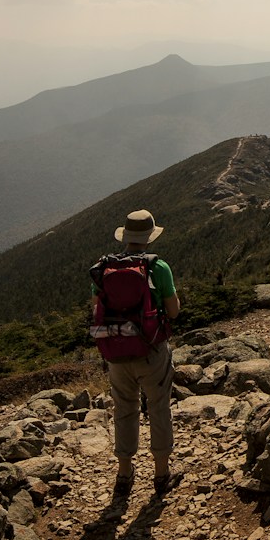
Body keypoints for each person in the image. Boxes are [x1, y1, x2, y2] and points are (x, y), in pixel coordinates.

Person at [94, 209, 180, 497]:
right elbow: (174, 311)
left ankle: (124, 474)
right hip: (151, 349)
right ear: (149, 237)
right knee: (158, 407)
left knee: (124, 409)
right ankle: (161, 474)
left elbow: (97, 308)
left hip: (116, 349)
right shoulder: (159, 267)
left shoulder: (104, 268)